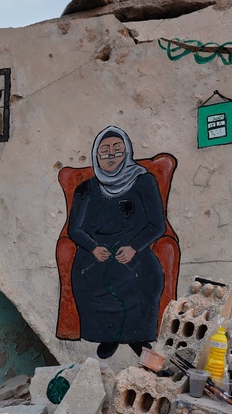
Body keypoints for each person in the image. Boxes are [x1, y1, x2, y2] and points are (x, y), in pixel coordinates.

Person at [67, 126, 166, 359]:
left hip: (133, 251)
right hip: (98, 253)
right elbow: (75, 229)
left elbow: (157, 225)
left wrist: (134, 247)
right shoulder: (85, 189)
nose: (110, 156)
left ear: (127, 152)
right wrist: (93, 247)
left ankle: (137, 335)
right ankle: (108, 336)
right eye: (104, 151)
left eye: (117, 150)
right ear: (96, 155)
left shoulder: (144, 182)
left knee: (148, 276)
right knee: (88, 278)